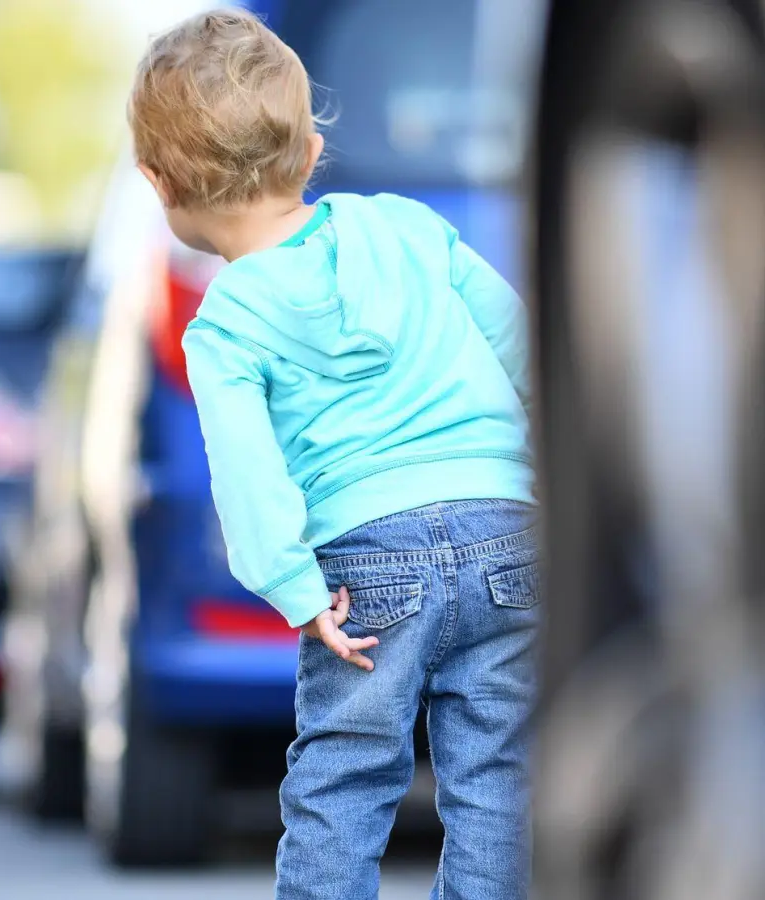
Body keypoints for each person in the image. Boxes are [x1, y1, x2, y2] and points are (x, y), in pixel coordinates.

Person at [127, 9, 537, 899]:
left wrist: (294, 590)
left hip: (367, 566)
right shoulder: (408, 228)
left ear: (159, 183)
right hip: (508, 533)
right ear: (311, 151)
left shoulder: (226, 321)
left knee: (343, 779)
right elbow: (517, 340)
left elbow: (248, 477)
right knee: (499, 778)